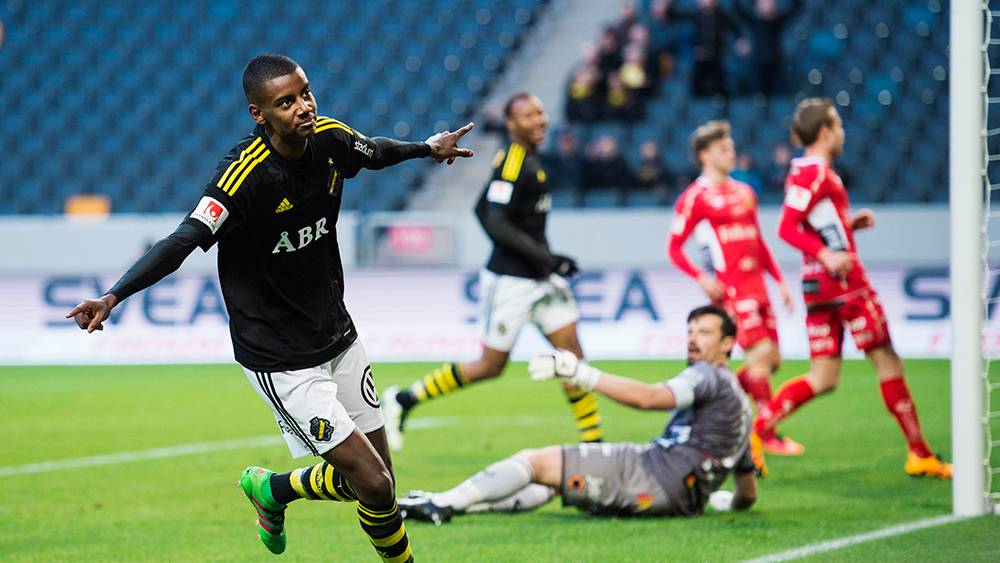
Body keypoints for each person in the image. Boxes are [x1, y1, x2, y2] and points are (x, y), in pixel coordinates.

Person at [65, 54, 476, 561]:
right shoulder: (244, 176)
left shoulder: (330, 138)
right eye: (286, 102)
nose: (304, 107)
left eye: (306, 93)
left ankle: (273, 489)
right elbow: (184, 239)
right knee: (371, 482)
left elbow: (374, 151)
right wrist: (113, 295)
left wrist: (427, 148)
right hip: (280, 356)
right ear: (259, 114)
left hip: (337, 334)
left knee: (379, 484)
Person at [382, 93, 605, 451]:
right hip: (511, 281)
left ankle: (594, 446)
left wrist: (544, 261)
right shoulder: (515, 162)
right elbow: (495, 220)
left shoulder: (527, 158)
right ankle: (403, 399)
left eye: (541, 112)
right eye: (529, 115)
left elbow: (482, 209)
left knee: (572, 359)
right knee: (489, 365)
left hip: (541, 277)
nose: (540, 119)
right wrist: (546, 257)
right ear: (511, 124)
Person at [398, 306, 759, 524]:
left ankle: (441, 502)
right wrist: (720, 499)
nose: (693, 338)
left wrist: (581, 373)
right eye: (690, 330)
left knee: (534, 461)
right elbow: (748, 493)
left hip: (650, 475)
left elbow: (649, 398)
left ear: (728, 344)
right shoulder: (744, 407)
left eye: (704, 332)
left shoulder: (707, 376)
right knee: (552, 480)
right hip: (678, 499)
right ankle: (463, 506)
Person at [755, 97, 952, 478]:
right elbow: (786, 226)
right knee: (888, 362)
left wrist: (848, 227)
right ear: (825, 132)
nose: (843, 132)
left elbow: (812, 223)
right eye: (839, 125)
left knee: (823, 377)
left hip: (818, 286)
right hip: (844, 284)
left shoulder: (807, 171)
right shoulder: (815, 172)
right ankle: (919, 453)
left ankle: (757, 431)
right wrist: (828, 255)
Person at [668, 120, 798, 455]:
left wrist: (779, 280)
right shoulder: (694, 197)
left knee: (773, 362)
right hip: (731, 290)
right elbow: (674, 248)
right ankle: (767, 436)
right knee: (760, 357)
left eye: (731, 147)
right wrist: (701, 277)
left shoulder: (744, 192)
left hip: (759, 287)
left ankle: (713, 395)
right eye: (723, 148)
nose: (731, 153)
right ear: (704, 155)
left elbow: (757, 241)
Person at [733, 0, 803, 97]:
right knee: (759, 95)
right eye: (763, 2)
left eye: (770, 2)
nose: (767, 5)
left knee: (779, 96)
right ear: (757, 6)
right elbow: (738, 9)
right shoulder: (754, 22)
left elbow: (796, 8)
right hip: (758, 64)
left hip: (776, 64)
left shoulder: (778, 22)